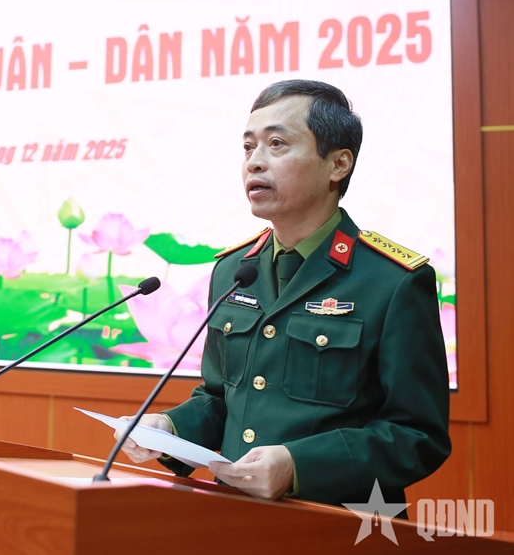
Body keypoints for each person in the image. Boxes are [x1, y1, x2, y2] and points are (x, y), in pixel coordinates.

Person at [119, 79, 451, 512]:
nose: (255, 162)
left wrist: (298, 466)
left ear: (338, 164)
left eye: (277, 144)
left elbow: (417, 435)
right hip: (234, 517)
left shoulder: (392, 281)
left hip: (337, 525)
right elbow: (221, 397)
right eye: (248, 147)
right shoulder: (234, 270)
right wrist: (169, 429)